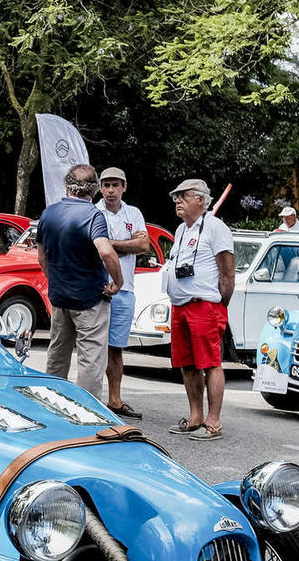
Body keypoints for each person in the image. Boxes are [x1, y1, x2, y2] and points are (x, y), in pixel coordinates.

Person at [33, 164, 122, 400]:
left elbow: (42, 258)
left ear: (67, 185)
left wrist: (55, 281)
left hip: (60, 298)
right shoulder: (93, 215)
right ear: (94, 190)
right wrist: (118, 281)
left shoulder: (48, 213)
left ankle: (50, 403)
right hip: (90, 299)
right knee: (90, 359)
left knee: (57, 355)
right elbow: (106, 251)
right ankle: (85, 412)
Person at [162, 178, 235, 440]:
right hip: (181, 306)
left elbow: (227, 271)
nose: (177, 201)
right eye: (176, 197)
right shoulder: (182, 230)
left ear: (201, 200)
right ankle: (195, 416)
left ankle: (213, 421)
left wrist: (219, 303)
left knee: (211, 363)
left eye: (183, 196)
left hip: (205, 305)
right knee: (187, 364)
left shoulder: (216, 228)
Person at [94, 167, 151, 418]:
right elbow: (93, 248)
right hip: (98, 287)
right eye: (106, 185)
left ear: (124, 187)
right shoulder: (94, 211)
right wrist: (127, 245)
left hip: (125, 289)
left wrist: (110, 243)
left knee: (116, 348)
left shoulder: (134, 213)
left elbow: (144, 245)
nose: (110, 190)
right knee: (93, 346)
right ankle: (91, 399)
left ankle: (115, 400)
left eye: (115, 185)